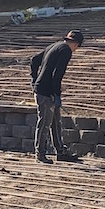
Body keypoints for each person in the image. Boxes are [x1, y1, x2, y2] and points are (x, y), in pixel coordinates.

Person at [30, 29, 84, 163]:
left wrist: (34, 81)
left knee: (55, 122)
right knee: (44, 123)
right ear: (76, 44)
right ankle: (40, 154)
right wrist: (56, 94)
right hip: (45, 93)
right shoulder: (66, 51)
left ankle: (60, 151)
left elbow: (34, 60)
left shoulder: (53, 46)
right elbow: (57, 74)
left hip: (43, 90)